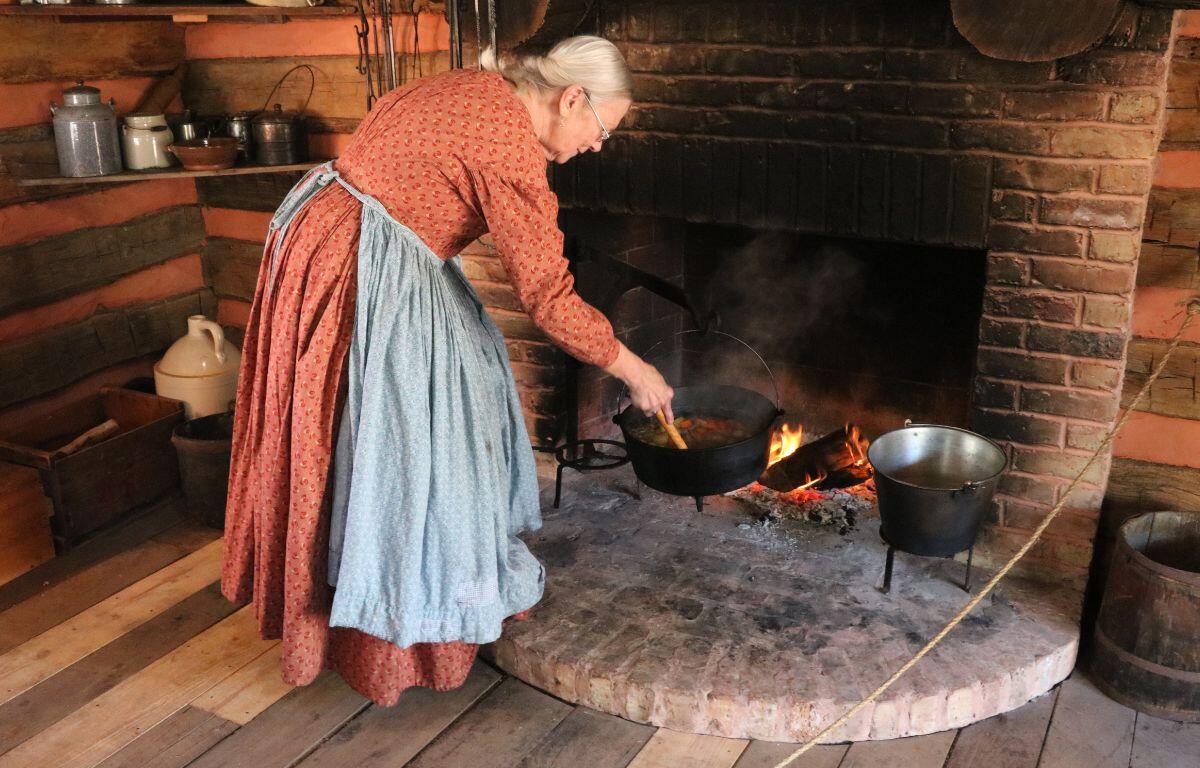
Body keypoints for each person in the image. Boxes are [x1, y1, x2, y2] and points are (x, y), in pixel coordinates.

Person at [220, 35, 675, 705]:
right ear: (572, 98)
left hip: (325, 235)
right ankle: (397, 638)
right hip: (365, 269)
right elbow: (547, 296)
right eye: (603, 128)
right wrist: (634, 368)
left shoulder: (477, 88)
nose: (598, 145)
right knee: (410, 447)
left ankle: (365, 600)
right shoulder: (507, 146)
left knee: (450, 392)